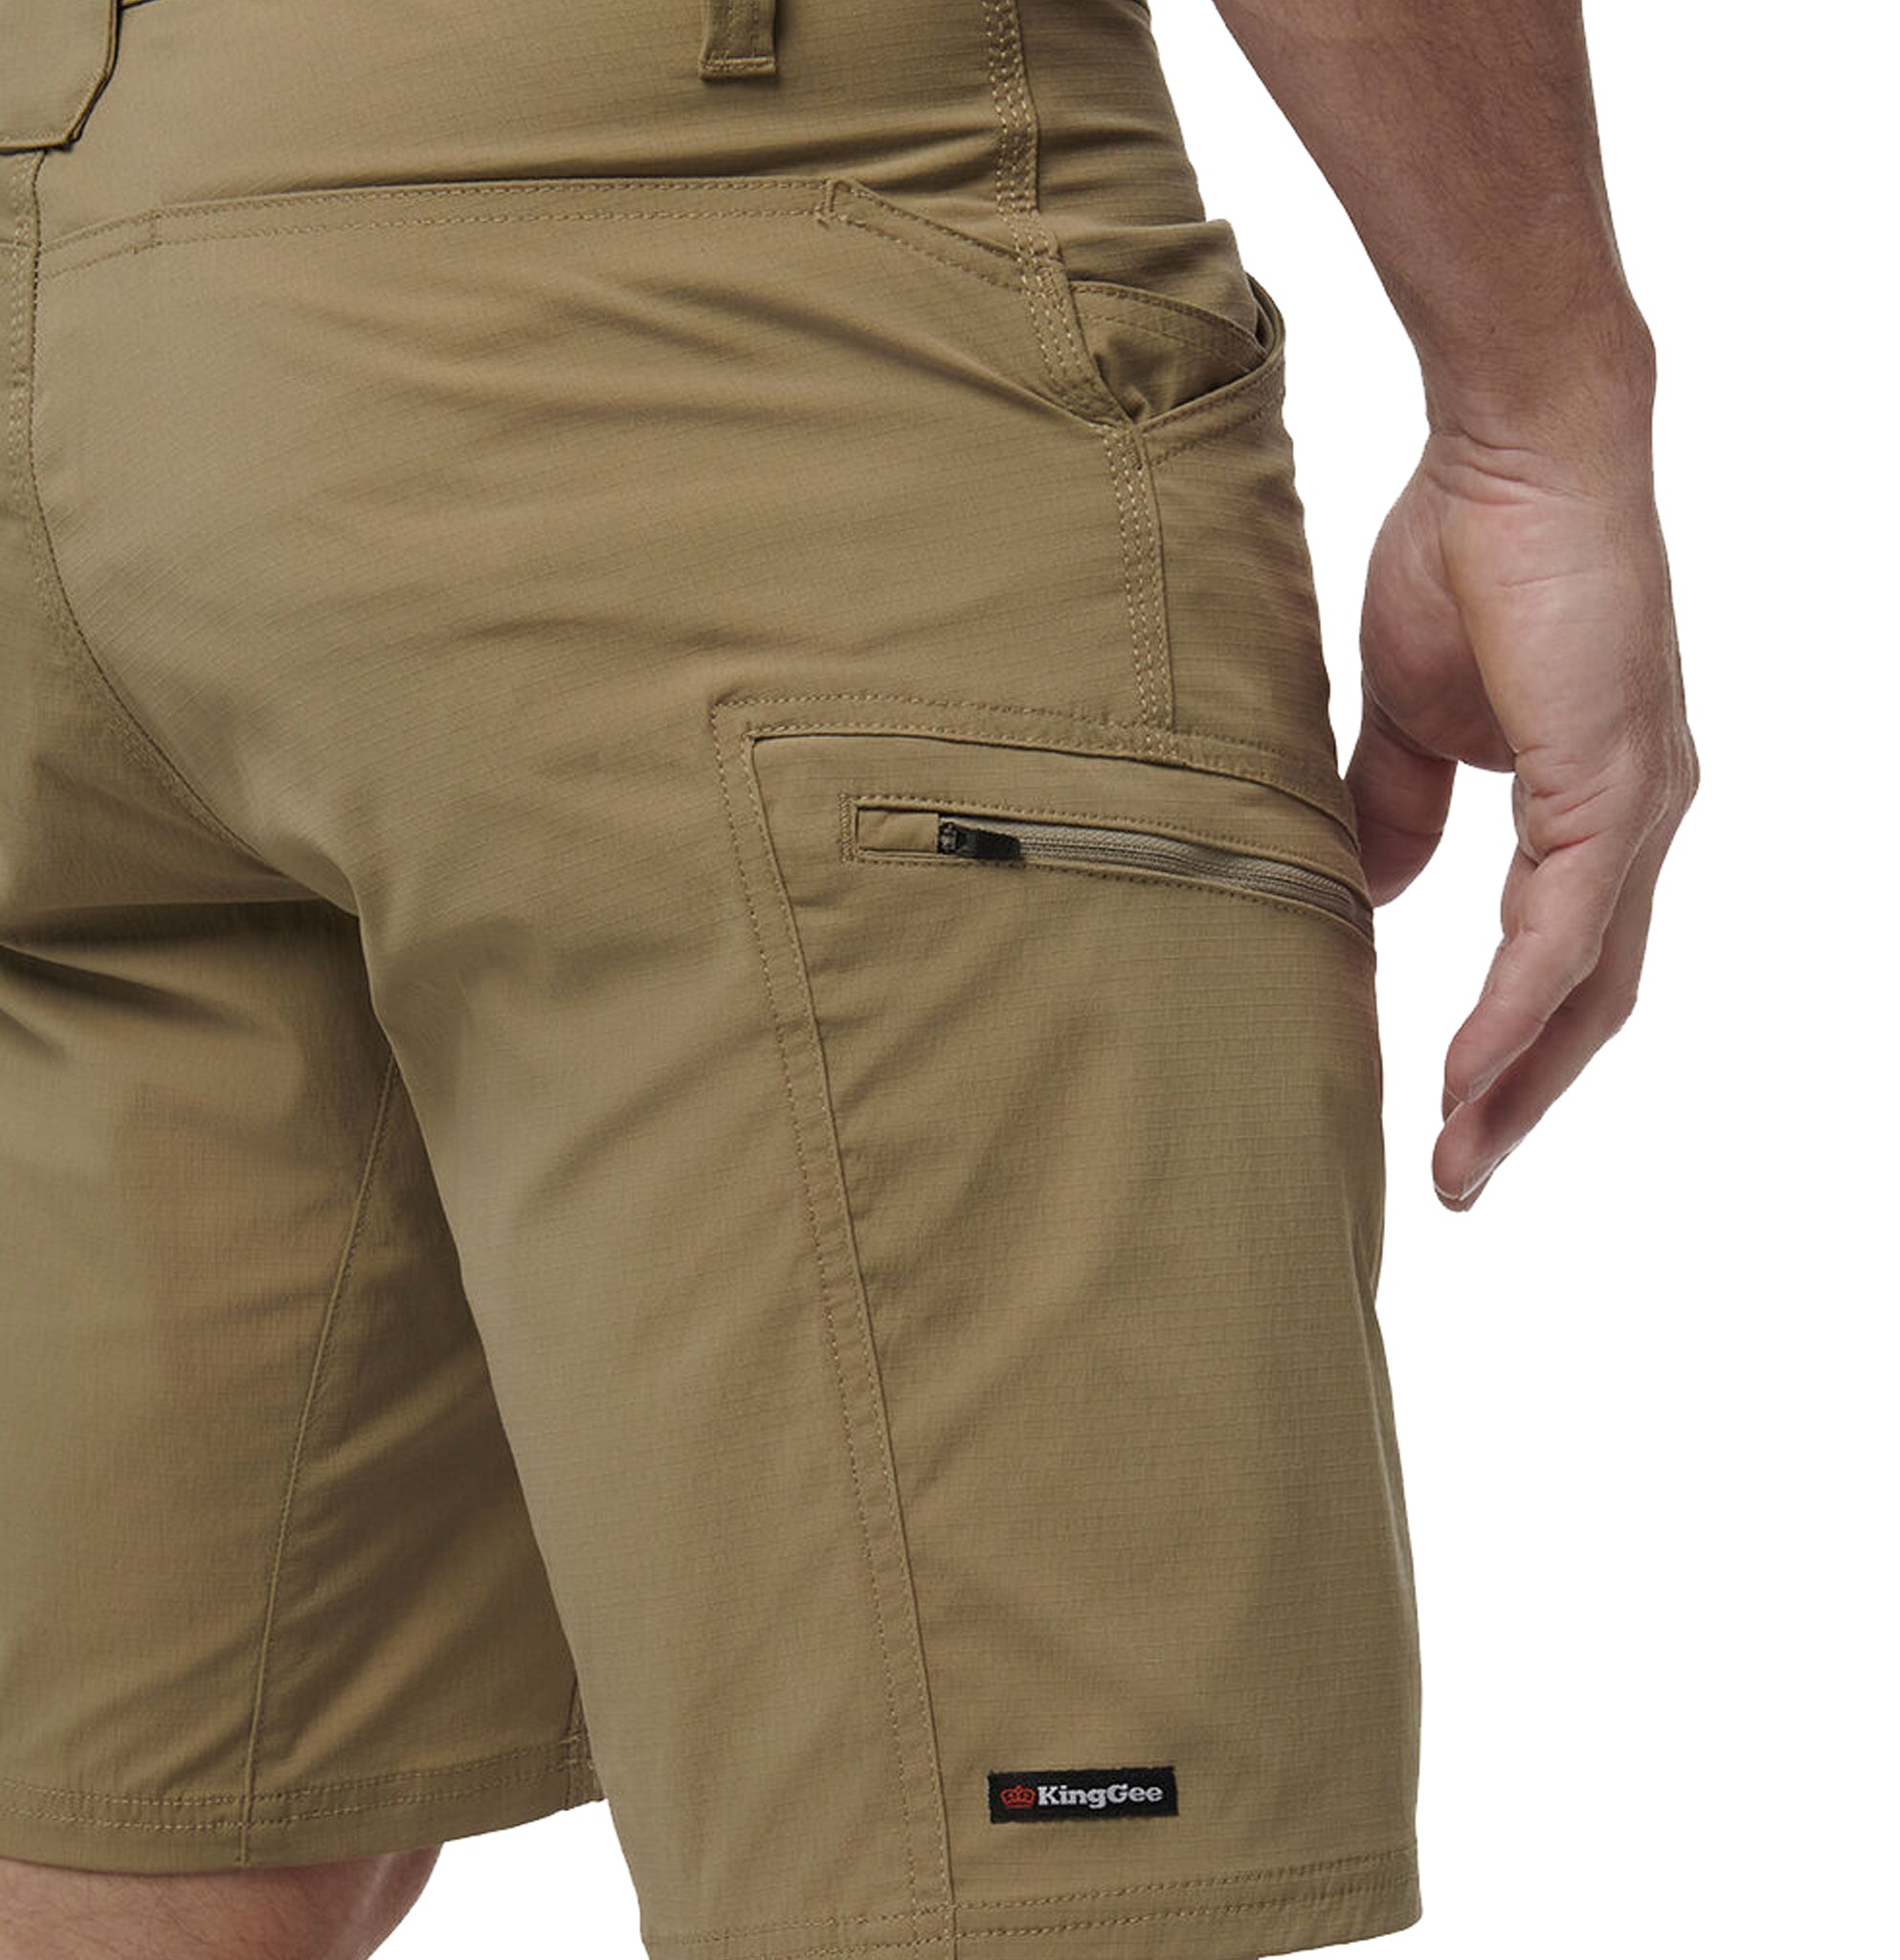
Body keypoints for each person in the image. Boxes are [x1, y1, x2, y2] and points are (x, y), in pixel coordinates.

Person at [0, 0, 1693, 1954]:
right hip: (734, 301)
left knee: (140, 1841)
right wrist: (1534, 411)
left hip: (64, 318)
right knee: (1024, 1893)